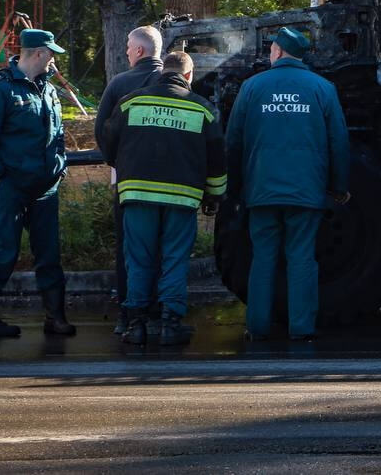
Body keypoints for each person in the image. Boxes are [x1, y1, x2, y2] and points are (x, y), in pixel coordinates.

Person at [226, 27, 350, 341]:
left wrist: (235, 189)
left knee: (264, 256)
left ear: (278, 52)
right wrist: (339, 186)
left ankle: (257, 327)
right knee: (302, 257)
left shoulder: (252, 87)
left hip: (262, 191)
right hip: (306, 192)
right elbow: (338, 141)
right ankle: (302, 328)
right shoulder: (323, 88)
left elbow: (234, 142)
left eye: (271, 50)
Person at [101, 51, 226, 346]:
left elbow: (108, 142)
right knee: (174, 259)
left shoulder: (132, 102)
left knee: (139, 259)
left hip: (137, 194)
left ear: (161, 72)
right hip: (182, 198)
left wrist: (126, 169)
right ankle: (170, 324)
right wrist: (215, 196)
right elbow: (217, 159)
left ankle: (136, 325)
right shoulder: (203, 109)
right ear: (188, 76)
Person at [0, 28, 74, 338]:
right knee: (5, 251)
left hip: (45, 187)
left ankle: (56, 317)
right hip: (13, 185)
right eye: (52, 53)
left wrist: (60, 168)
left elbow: (57, 135)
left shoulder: (48, 89)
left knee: (49, 254)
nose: (54, 60)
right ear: (38, 53)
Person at [95, 25, 164, 334]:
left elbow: (102, 130)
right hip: (171, 184)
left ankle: (129, 313)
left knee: (130, 249)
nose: (124, 51)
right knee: (165, 248)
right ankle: (159, 312)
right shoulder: (174, 83)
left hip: (129, 182)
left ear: (139, 51)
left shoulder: (120, 83)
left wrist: (117, 162)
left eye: (127, 46)